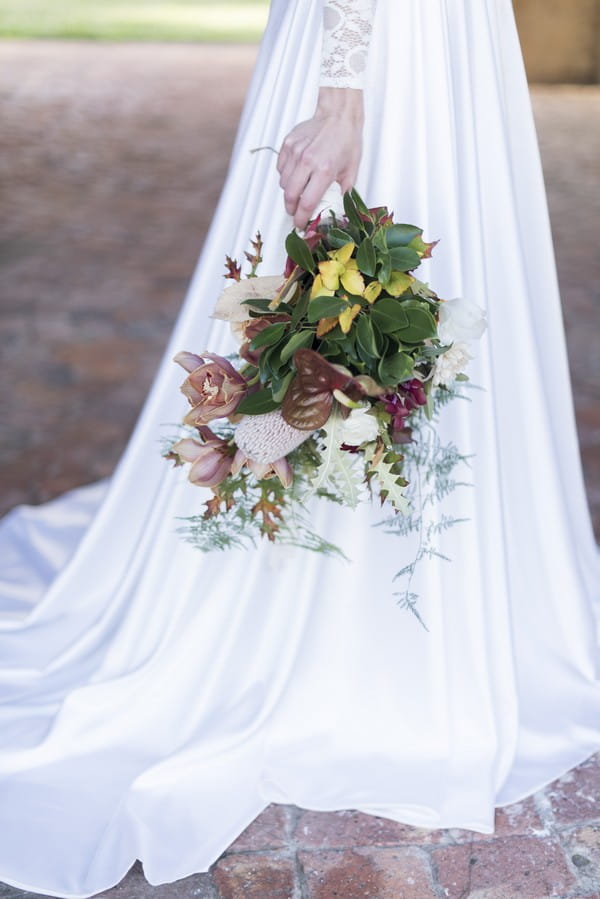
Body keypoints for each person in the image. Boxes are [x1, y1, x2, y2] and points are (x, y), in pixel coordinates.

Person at [1, 0, 599, 895]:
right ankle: (366, 576)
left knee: (405, 294)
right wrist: (343, 94)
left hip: (439, 36)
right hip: (394, 39)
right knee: (333, 278)